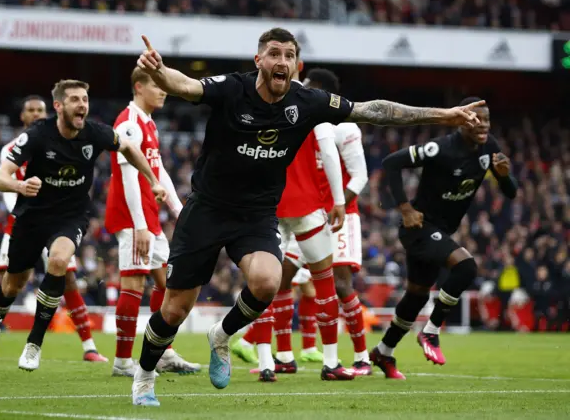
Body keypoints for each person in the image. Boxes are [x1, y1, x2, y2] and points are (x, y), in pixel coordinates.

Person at [132, 28, 485, 406]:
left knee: (268, 282)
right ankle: (144, 375)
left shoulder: (307, 101)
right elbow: (185, 87)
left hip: (256, 215)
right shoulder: (233, 89)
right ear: (259, 61)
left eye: (288, 55)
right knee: (174, 310)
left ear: (294, 64)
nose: (280, 61)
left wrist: (444, 115)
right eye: (273, 53)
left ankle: (221, 335)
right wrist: (159, 71)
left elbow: (373, 111)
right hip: (207, 209)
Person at [0, 79, 166, 378]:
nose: (82, 105)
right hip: (32, 216)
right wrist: (20, 184)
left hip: (70, 216)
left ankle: (34, 343)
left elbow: (129, 148)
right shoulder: (37, 135)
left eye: (85, 99)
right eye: (75, 99)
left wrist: (153, 180)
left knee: (60, 261)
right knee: (11, 285)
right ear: (59, 106)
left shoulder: (95, 132)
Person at [371, 97, 517, 379]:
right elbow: (391, 163)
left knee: (415, 297)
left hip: (440, 231)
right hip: (420, 227)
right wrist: (405, 208)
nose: (483, 125)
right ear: (461, 120)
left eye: (486, 119)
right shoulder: (441, 148)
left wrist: (505, 177)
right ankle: (431, 332)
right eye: (476, 119)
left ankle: (383, 352)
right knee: (466, 267)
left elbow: (510, 192)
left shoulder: (489, 147)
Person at [0, 96, 108, 364]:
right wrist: (23, 206)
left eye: (40, 109)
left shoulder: (63, 142)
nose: (36, 114)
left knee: (68, 278)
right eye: (30, 110)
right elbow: (4, 183)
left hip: (58, 223)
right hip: (22, 221)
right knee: (9, 283)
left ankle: (89, 346)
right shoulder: (12, 148)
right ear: (23, 116)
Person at [270, 68, 373, 376]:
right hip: (307, 212)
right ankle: (285, 356)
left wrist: (339, 203)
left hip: (340, 216)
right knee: (282, 277)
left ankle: (362, 357)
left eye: (310, 89)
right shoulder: (301, 120)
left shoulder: (344, 128)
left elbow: (361, 175)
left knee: (339, 284)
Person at [106, 68, 200, 377]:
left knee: (168, 284)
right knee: (133, 284)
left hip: (149, 215)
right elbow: (129, 176)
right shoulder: (129, 124)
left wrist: (178, 211)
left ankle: (163, 352)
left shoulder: (148, 123)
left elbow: (158, 173)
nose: (163, 91)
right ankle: (122, 362)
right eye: (156, 86)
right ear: (138, 87)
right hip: (135, 217)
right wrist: (140, 225)